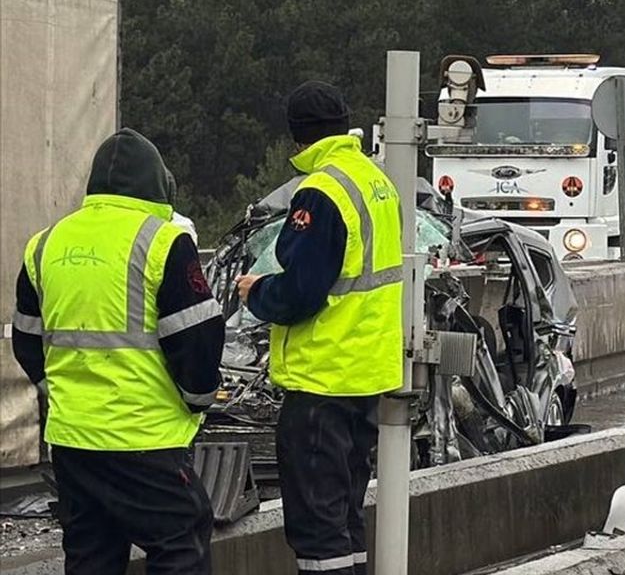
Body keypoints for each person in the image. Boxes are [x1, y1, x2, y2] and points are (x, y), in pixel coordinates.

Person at [10, 129, 224, 574]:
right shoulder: (163, 241)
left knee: (91, 556)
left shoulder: (46, 244)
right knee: (181, 546)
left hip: (73, 442)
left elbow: (27, 339)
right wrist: (196, 402)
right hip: (146, 439)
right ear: (157, 184)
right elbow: (198, 342)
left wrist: (57, 391)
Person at [235, 82, 404, 575]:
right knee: (345, 516)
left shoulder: (322, 190)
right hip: (364, 376)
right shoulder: (375, 180)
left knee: (316, 526)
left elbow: (304, 291)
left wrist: (257, 292)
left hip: (321, 379)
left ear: (297, 139)